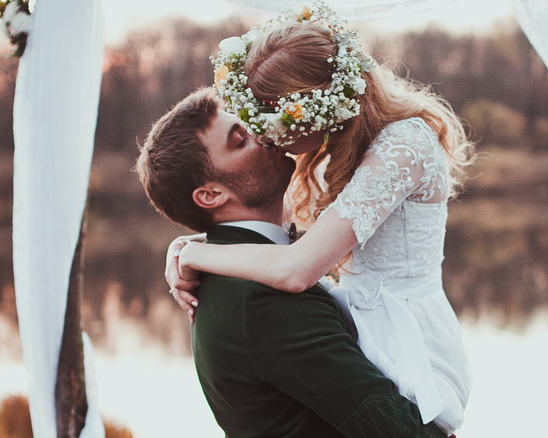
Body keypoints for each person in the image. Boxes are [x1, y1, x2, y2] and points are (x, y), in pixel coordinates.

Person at [166, 2, 474, 434]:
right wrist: (187, 246)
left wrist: (194, 253)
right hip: (367, 316)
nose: (268, 132)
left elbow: (297, 268)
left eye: (273, 113)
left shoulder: (401, 145)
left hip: (409, 336)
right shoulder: (345, 149)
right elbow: (305, 249)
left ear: (317, 105)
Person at [135, 86, 447, 437]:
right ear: (211, 195)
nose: (263, 133)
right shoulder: (263, 300)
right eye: (240, 140)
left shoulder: (235, 268)